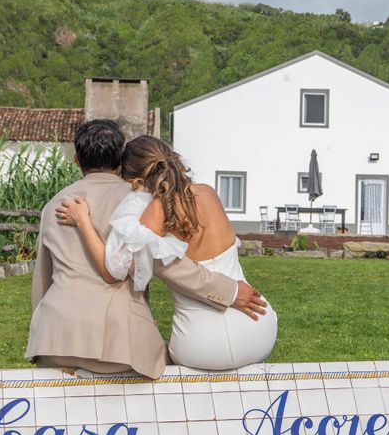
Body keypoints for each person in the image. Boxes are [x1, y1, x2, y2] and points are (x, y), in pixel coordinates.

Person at [25, 120, 267, 379]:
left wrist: (40, 332)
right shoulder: (142, 200)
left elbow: (43, 278)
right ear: (120, 161)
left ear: (76, 159)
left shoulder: (53, 206)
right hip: (117, 345)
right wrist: (227, 290)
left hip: (53, 338)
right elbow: (166, 262)